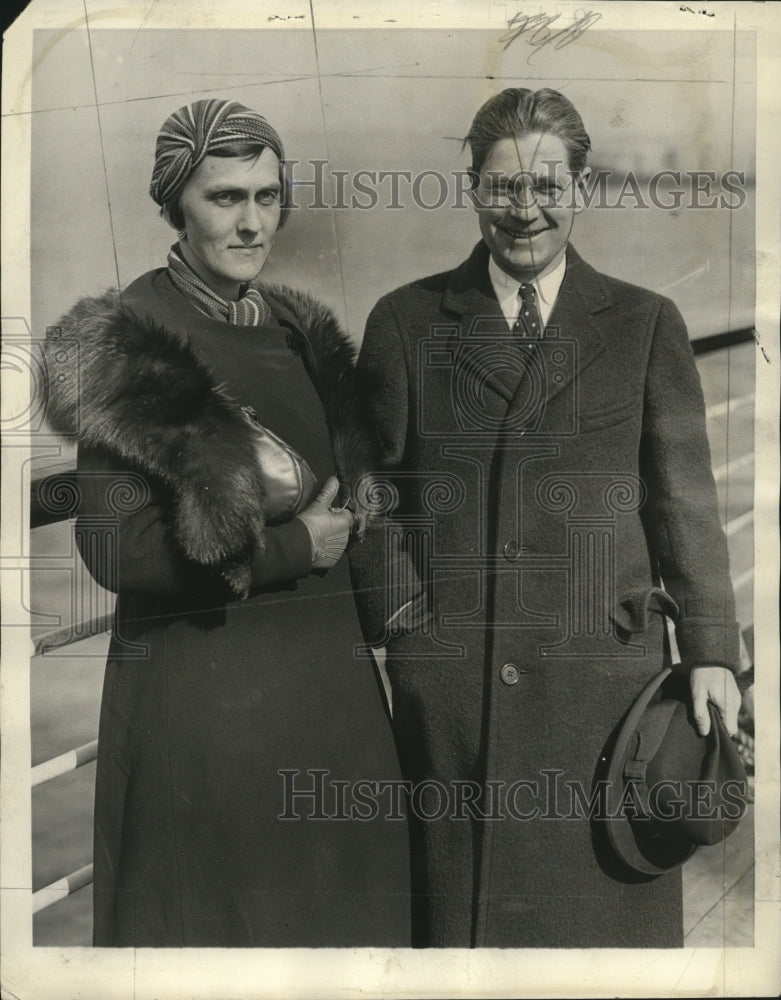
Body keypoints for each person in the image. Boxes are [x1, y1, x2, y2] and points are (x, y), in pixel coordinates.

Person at [349, 87, 742, 948]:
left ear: (583, 186)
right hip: (459, 687)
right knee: (469, 935)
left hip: (603, 684)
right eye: (501, 188)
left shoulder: (644, 323)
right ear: (471, 189)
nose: (524, 211)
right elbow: (369, 487)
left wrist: (712, 651)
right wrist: (405, 623)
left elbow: (683, 493)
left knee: (604, 932)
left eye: (547, 186)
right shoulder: (406, 322)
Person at [44, 98, 409, 947]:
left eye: (267, 196)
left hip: (332, 705)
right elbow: (113, 547)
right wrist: (291, 547)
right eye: (224, 199)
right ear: (176, 203)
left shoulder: (295, 329)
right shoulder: (129, 341)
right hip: (206, 718)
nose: (252, 223)